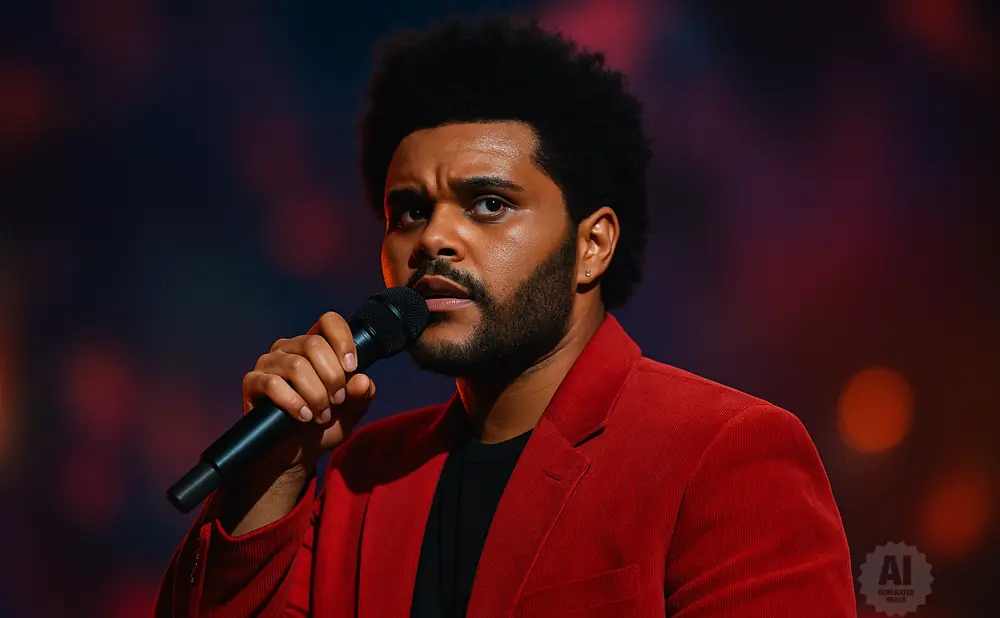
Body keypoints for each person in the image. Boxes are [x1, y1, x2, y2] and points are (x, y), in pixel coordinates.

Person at [155, 18, 855, 618]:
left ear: (592, 245)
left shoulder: (726, 451)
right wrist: (275, 475)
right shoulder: (359, 474)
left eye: (488, 203)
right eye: (410, 211)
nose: (433, 239)